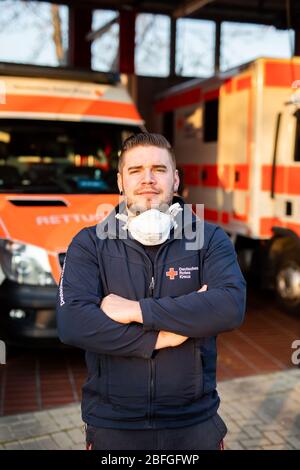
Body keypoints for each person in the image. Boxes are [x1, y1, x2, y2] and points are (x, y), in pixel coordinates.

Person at [56, 133, 246, 451]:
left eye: (159, 169)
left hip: (194, 423)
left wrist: (136, 311)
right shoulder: (89, 243)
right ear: (120, 181)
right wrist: (161, 338)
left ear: (175, 180)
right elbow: (73, 323)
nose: (148, 179)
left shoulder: (210, 239)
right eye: (135, 170)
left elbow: (230, 305)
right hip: (113, 425)